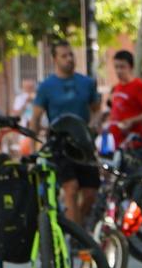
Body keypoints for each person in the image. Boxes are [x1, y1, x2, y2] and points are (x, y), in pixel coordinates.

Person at [32, 43, 102, 226]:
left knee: (90, 193)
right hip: (59, 143)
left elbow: (97, 110)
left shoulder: (86, 83)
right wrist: (34, 148)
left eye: (71, 55)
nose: (69, 59)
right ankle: (75, 237)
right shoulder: (46, 86)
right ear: (55, 59)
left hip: (83, 142)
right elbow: (36, 117)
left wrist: (94, 124)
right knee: (71, 188)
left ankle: (75, 226)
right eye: (64, 56)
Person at [105, 49, 142, 150]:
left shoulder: (138, 85)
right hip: (115, 144)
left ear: (131, 67)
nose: (119, 71)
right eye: (116, 67)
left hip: (133, 145)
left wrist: (132, 121)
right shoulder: (116, 87)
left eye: (122, 67)